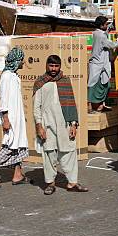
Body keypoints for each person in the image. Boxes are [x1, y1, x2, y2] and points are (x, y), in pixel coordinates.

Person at [33, 55, 88, 195]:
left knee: (69, 152)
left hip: (65, 124)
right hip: (48, 125)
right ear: (46, 65)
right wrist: (39, 126)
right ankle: (50, 183)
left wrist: (74, 124)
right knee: (49, 153)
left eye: (56, 66)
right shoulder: (40, 82)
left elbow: (71, 103)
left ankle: (72, 182)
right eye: (51, 66)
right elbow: (36, 107)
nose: (53, 69)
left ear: (60, 67)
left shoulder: (65, 80)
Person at [0, 47, 30, 188]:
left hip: (17, 118)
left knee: (18, 147)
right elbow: (3, 99)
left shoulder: (13, 75)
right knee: (9, 146)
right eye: (22, 59)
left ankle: (17, 175)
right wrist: (6, 119)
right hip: (11, 118)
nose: (23, 62)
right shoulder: (7, 76)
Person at [88, 16, 118, 112]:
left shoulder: (99, 33)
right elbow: (111, 44)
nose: (107, 26)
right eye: (106, 24)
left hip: (102, 62)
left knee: (105, 84)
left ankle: (100, 104)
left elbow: (106, 32)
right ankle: (90, 105)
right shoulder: (100, 35)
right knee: (92, 83)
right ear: (101, 25)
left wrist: (113, 24)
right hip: (97, 62)